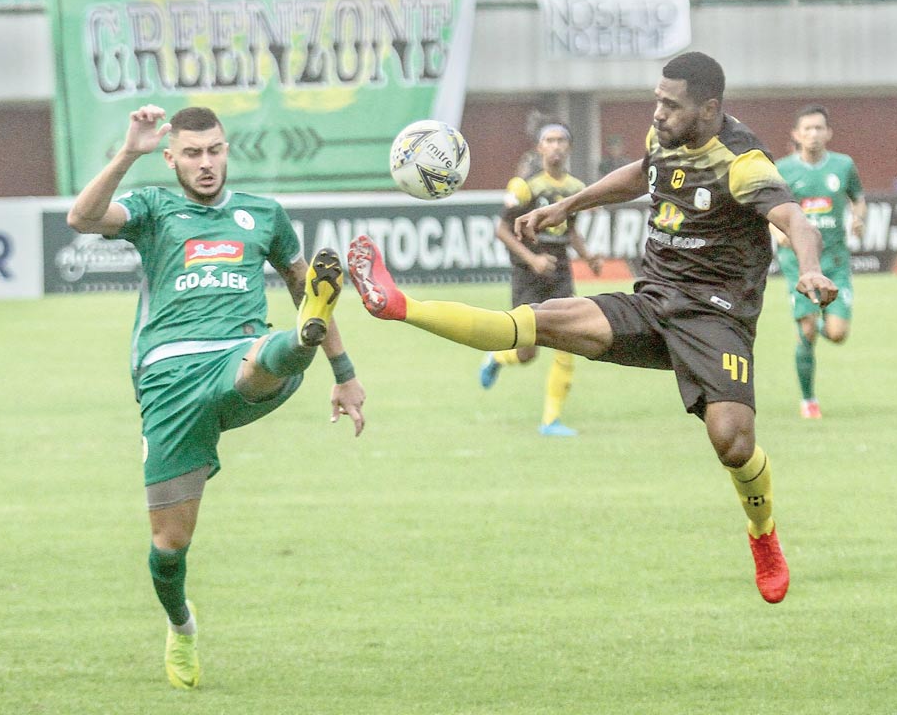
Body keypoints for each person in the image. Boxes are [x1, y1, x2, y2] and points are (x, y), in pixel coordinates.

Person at [345, 52, 836, 604]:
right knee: (533, 325)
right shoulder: (667, 138)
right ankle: (399, 305)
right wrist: (567, 207)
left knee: (732, 443)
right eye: (657, 99)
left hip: (716, 317)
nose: (657, 113)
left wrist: (811, 267)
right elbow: (640, 174)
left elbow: (794, 217)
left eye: (670, 105)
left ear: (709, 109)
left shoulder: (742, 163)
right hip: (653, 301)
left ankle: (762, 534)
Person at [66, 104, 367, 689]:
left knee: (272, 346)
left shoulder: (264, 216)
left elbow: (304, 286)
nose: (207, 164)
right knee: (169, 545)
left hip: (240, 357)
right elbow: (82, 218)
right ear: (171, 157)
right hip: (169, 378)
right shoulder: (154, 209)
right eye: (194, 154)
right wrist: (127, 151)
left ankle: (296, 343)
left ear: (228, 150)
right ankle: (181, 626)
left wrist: (344, 371)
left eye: (216, 151)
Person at [479, 122, 603, 436]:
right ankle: (498, 357)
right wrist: (532, 259)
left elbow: (570, 229)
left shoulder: (576, 188)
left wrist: (586, 256)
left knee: (569, 341)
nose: (556, 146)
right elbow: (502, 230)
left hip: (560, 270)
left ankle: (550, 421)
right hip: (528, 273)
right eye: (550, 140)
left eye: (562, 140)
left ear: (569, 147)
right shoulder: (525, 187)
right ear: (540, 148)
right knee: (527, 352)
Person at [772, 105, 865, 419]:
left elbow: (858, 197)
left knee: (837, 334)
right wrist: (775, 230)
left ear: (829, 133)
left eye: (819, 128)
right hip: (797, 261)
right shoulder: (782, 170)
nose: (813, 134)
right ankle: (808, 400)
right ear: (796, 135)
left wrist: (858, 219)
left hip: (834, 259)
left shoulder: (843, 166)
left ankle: (825, 321)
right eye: (807, 129)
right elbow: (766, 209)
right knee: (807, 331)